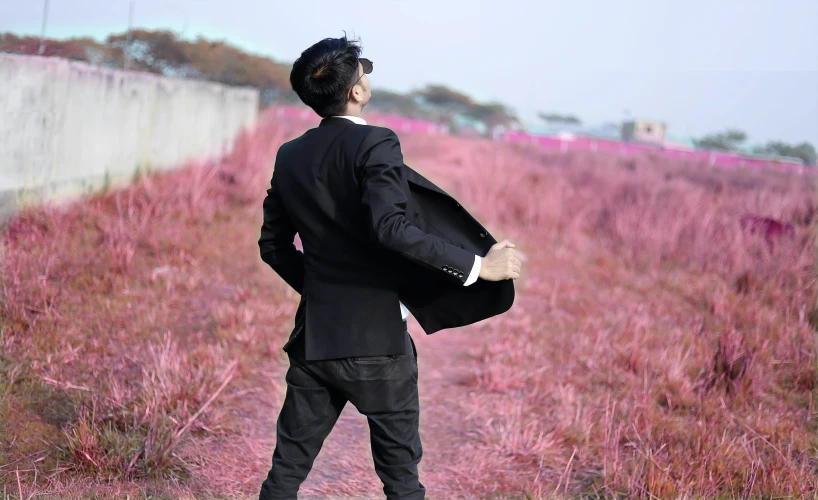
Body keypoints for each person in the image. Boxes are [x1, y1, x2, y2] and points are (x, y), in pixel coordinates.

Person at [257, 35, 521, 500]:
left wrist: (323, 293)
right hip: (379, 345)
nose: (368, 75)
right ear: (356, 91)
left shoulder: (289, 154)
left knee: (285, 473)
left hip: (314, 338)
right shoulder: (376, 141)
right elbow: (392, 228)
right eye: (366, 68)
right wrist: (479, 267)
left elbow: (273, 247)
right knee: (401, 481)